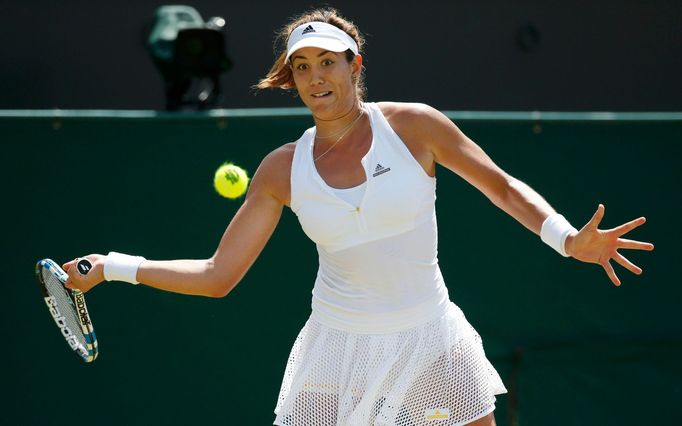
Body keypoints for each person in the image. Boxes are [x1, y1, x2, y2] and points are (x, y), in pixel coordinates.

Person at [64, 8, 654, 426]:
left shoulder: (416, 126)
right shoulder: (280, 170)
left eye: (328, 62)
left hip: (430, 340)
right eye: (302, 67)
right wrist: (115, 266)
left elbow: (500, 187)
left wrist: (567, 238)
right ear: (291, 79)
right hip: (336, 350)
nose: (316, 78)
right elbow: (219, 276)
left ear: (354, 65)